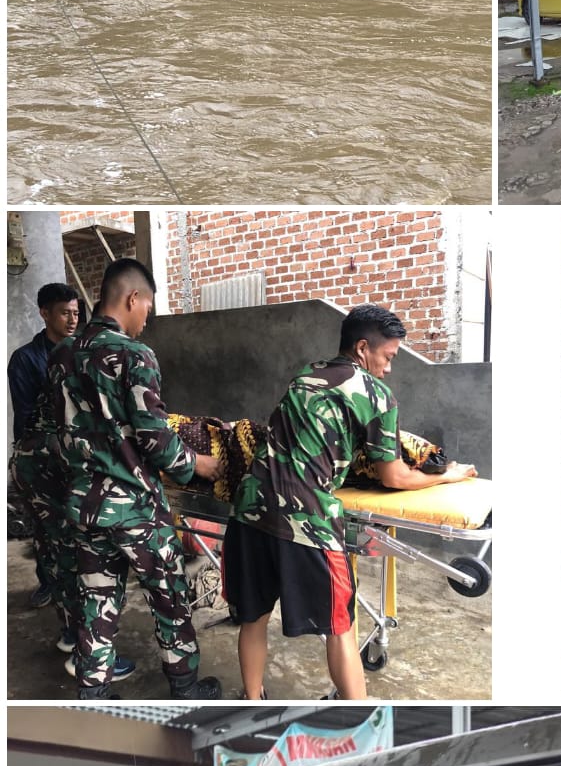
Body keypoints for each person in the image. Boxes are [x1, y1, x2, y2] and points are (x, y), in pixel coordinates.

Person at [225, 304, 476, 700]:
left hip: (249, 508)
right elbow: (393, 475)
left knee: (253, 617)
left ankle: (252, 696)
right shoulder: (376, 395)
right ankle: (357, 711)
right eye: (388, 356)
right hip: (305, 519)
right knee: (340, 625)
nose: (390, 367)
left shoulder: (306, 375)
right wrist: (446, 474)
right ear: (363, 348)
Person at [53, 259, 224, 699]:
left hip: (84, 505)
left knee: (96, 601)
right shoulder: (134, 354)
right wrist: (197, 465)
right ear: (133, 299)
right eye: (148, 306)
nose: (147, 317)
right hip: (135, 509)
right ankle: (185, 690)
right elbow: (153, 437)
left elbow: (60, 429)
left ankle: (94, 693)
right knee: (169, 598)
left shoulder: (62, 355)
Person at [8, 281, 80, 609]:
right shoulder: (25, 359)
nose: (72, 319)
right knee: (45, 526)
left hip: (76, 452)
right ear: (45, 313)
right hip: (39, 455)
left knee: (72, 526)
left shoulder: (82, 353)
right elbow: (25, 416)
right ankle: (48, 582)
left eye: (76, 313)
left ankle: (72, 585)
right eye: (64, 313)